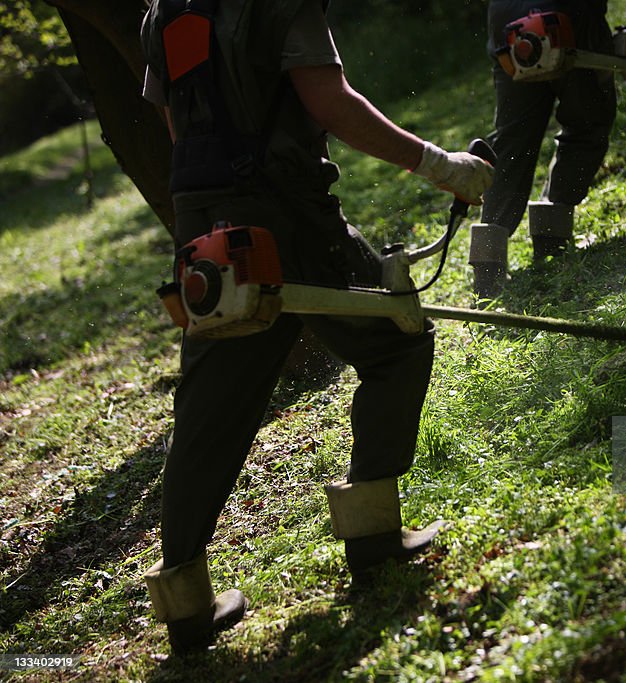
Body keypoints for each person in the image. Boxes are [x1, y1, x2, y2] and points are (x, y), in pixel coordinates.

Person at [138, 0, 493, 655]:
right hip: (286, 217)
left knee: (206, 414)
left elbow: (177, 132)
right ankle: (374, 536)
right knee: (397, 342)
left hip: (205, 239)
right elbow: (330, 101)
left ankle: (184, 605)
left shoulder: (163, 13)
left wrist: (214, 212)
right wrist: (440, 165)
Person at [469, 0, 617, 298]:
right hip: (571, 14)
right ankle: (552, 238)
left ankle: (487, 264)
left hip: (505, 16)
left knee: (512, 141)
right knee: (587, 122)